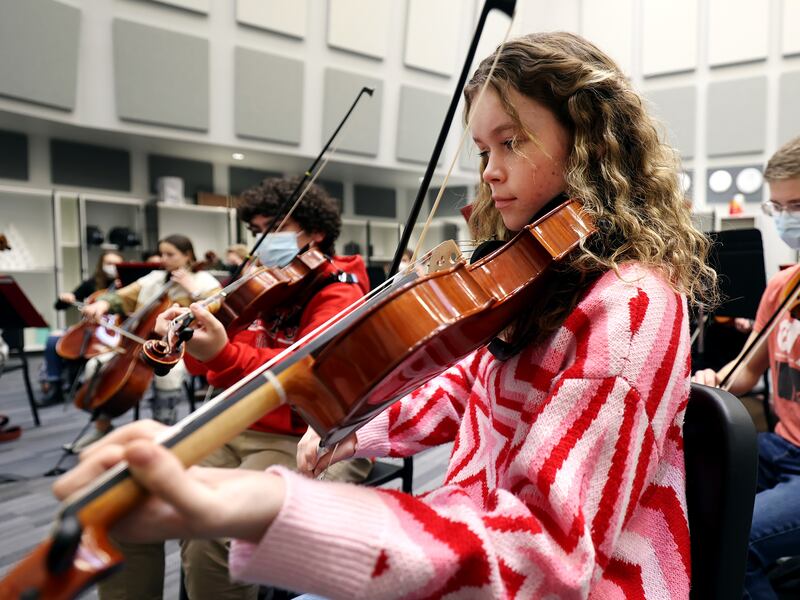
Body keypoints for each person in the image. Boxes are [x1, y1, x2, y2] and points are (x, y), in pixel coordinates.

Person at [55, 32, 716, 598]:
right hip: (476, 544)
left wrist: (263, 503)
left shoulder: (629, 307)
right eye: (483, 150)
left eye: (510, 142)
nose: (488, 172)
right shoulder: (542, 283)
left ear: (591, 145)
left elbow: (548, 562)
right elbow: (462, 388)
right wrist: (347, 429)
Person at [93, 177, 373, 600]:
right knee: (122, 502)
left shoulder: (340, 292)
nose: (263, 241)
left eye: (275, 227)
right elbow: (207, 362)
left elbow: (301, 375)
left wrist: (222, 353)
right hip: (231, 425)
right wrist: (188, 338)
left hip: (301, 436)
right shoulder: (261, 283)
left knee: (213, 535)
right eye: (257, 230)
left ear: (315, 233)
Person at [693, 135, 800, 600]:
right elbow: (745, 371)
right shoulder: (782, 288)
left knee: (736, 542)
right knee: (687, 491)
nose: (785, 220)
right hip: (781, 450)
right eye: (777, 207)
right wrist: (715, 380)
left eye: (796, 205)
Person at [70, 234, 220, 452]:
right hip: (138, 344)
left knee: (170, 375)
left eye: (170, 254)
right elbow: (121, 297)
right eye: (162, 254)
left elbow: (215, 305)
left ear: (187, 256)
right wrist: (101, 305)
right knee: (96, 364)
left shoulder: (204, 281)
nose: (163, 259)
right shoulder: (155, 278)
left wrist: (192, 290)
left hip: (178, 350)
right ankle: (102, 426)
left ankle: (163, 432)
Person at [38, 251, 124, 406]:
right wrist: (66, 298)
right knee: (53, 339)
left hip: (112, 330)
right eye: (108, 264)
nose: (112, 268)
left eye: (116, 264)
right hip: (88, 326)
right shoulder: (91, 283)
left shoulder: (127, 286)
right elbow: (60, 306)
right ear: (101, 265)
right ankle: (54, 385)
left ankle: (86, 385)